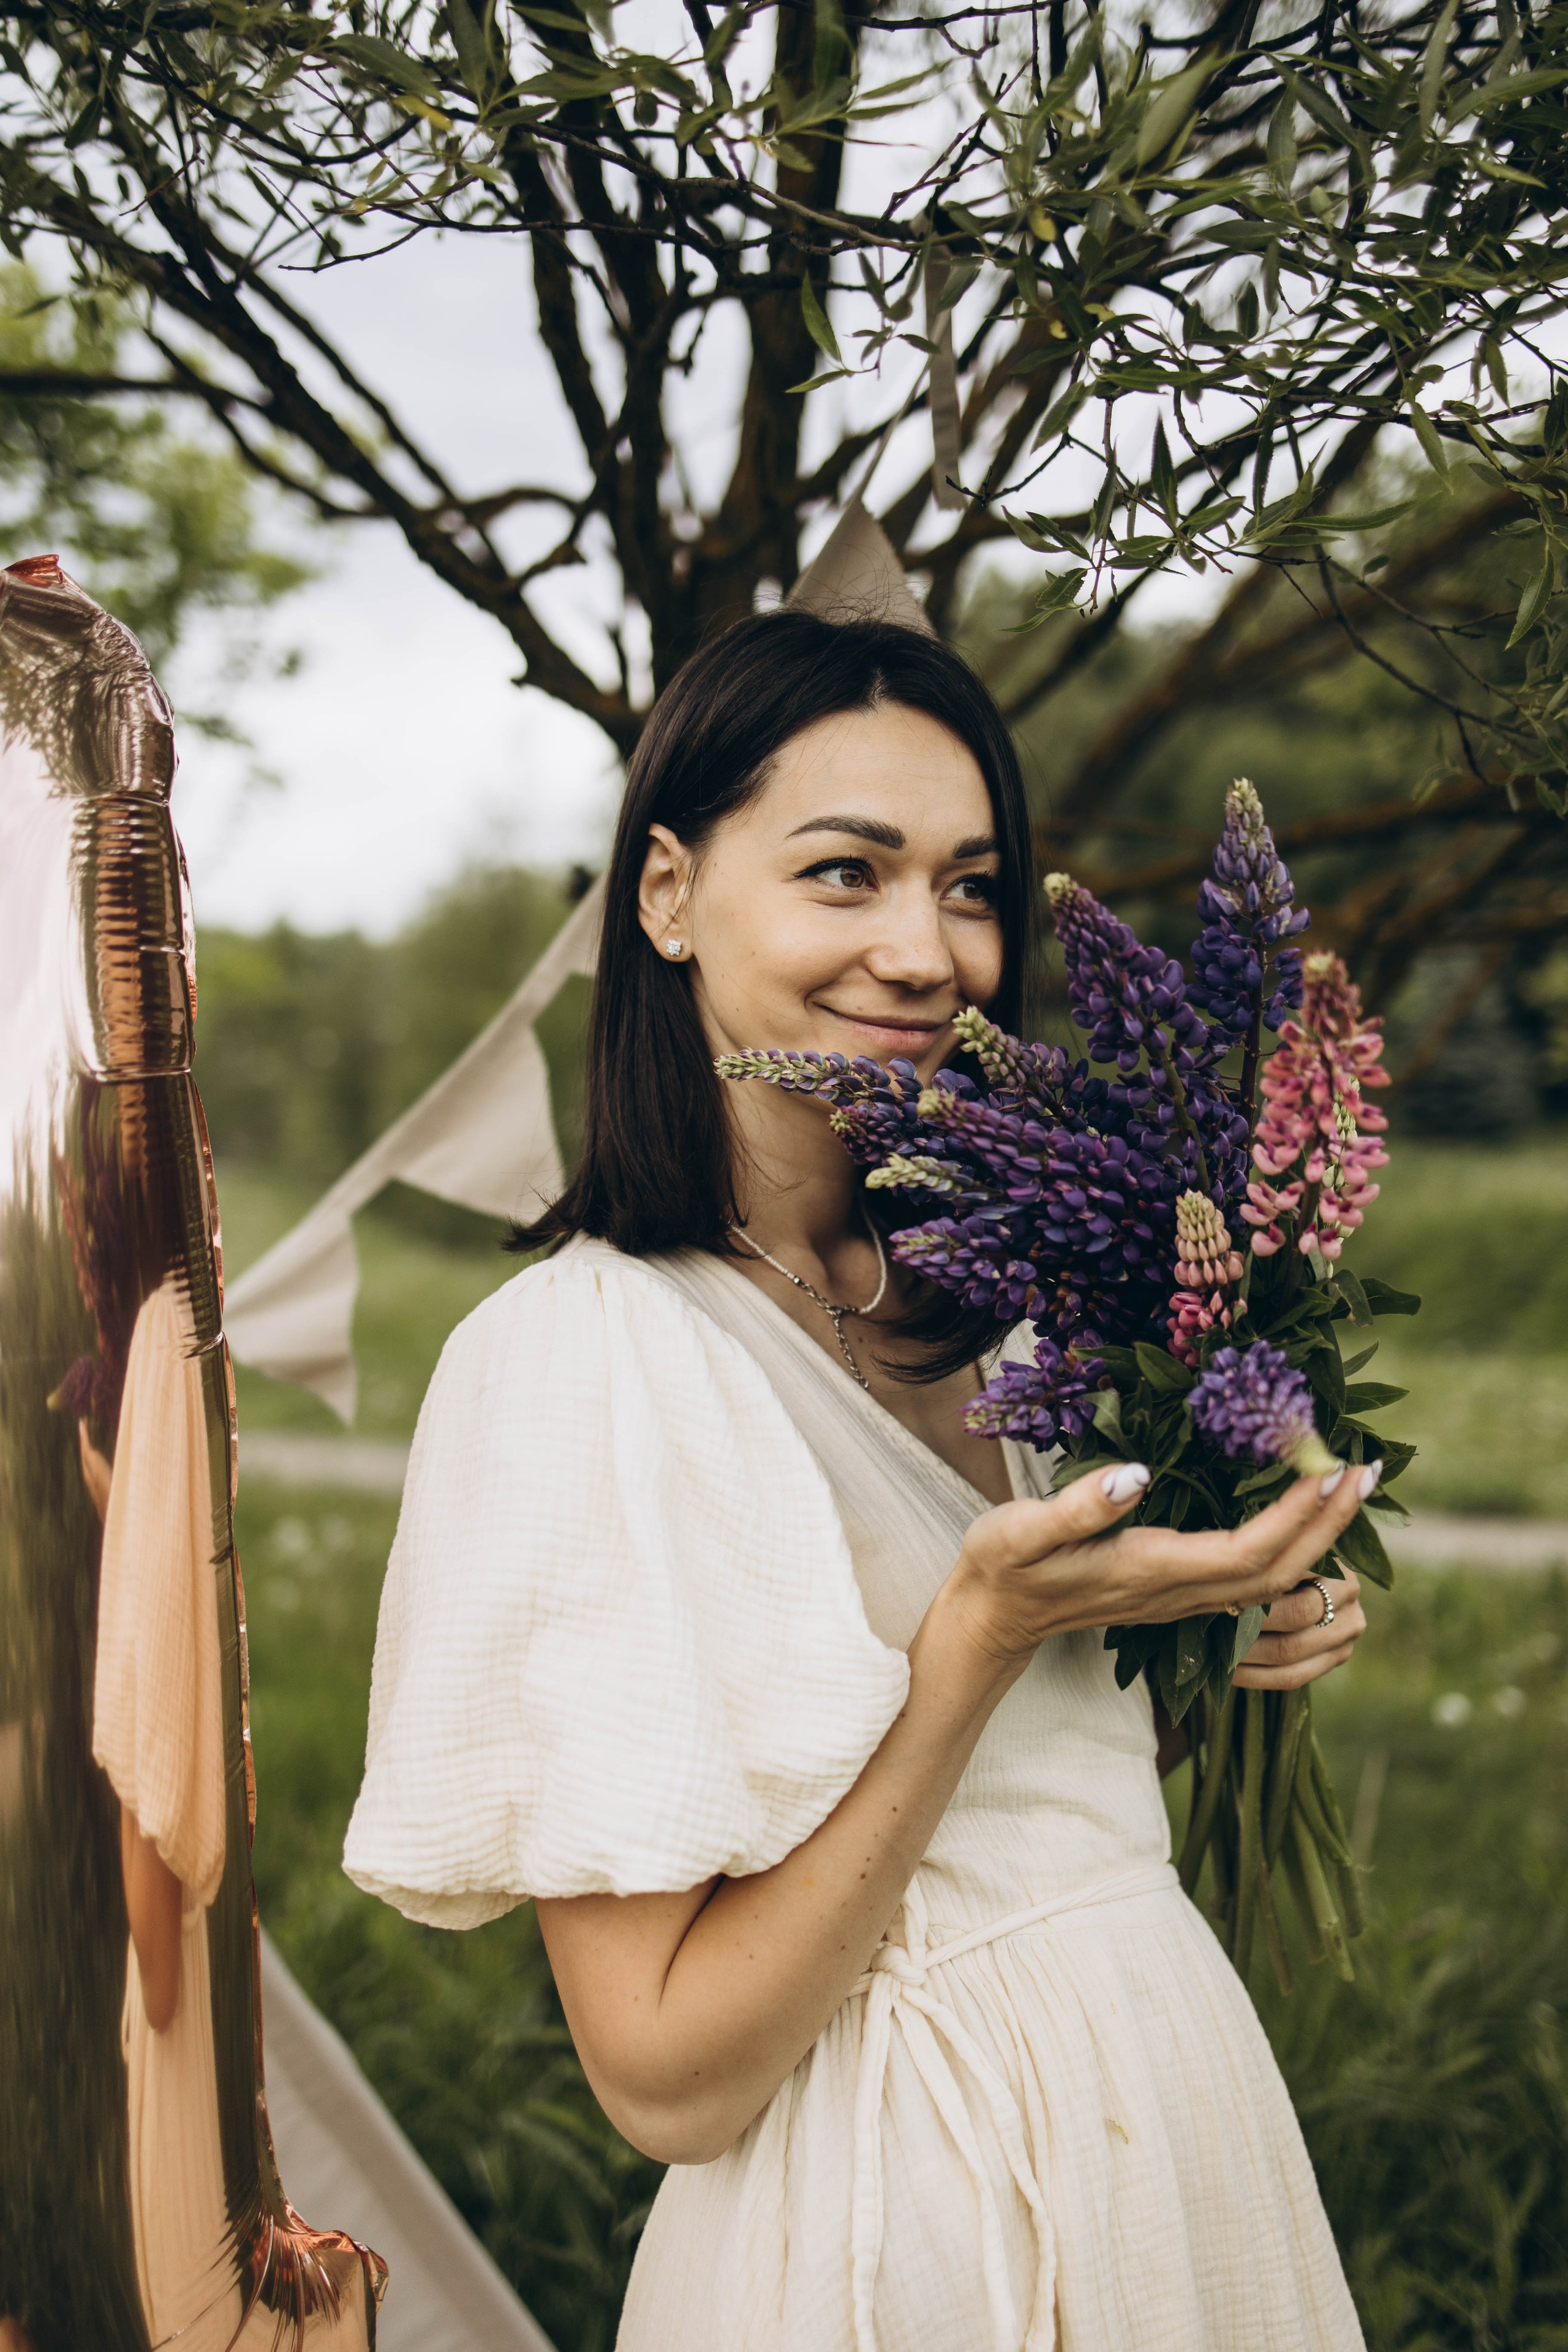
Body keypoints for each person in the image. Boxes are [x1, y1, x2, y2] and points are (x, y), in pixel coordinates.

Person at [344, 610, 1373, 2352]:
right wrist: (972, 1641)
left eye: (971, 886)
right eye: (847, 873)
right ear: (666, 894)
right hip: (899, 2235)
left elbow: (1039, 1816)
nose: (926, 950)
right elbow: (667, 2082)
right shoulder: (584, 1361)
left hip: (1179, 2148)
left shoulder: (1050, 1301)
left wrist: (1217, 1621)